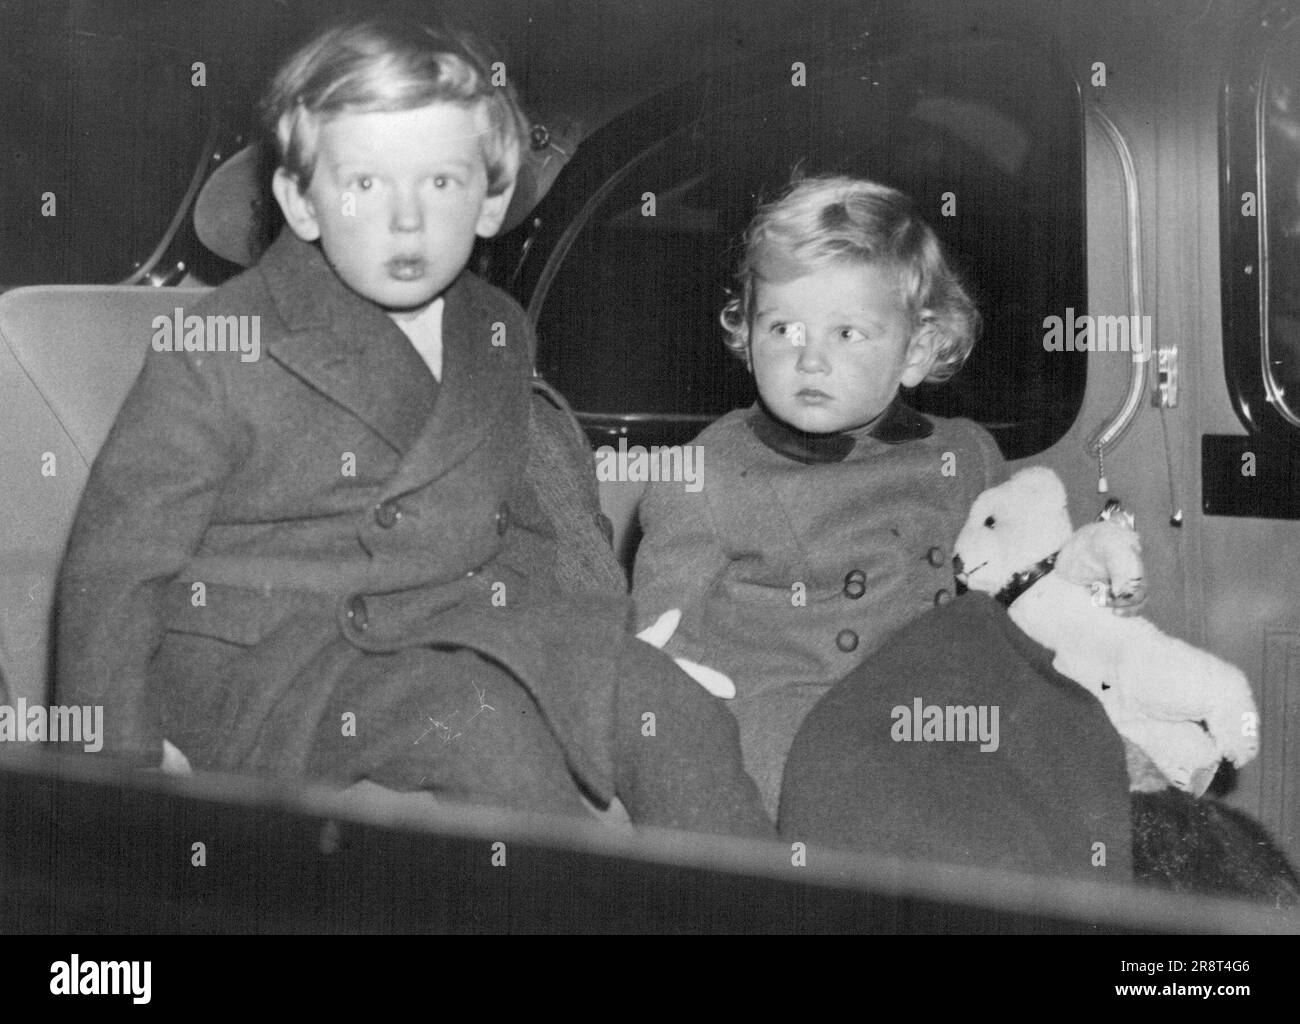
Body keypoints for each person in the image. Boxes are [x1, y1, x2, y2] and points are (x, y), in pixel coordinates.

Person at [54, 11, 772, 838]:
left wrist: (606, 643)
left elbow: (527, 518)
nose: (406, 220)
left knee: (674, 711)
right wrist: (118, 770)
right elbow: (114, 566)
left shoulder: (496, 328)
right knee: (487, 734)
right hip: (270, 660)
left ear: (491, 198)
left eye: (440, 182)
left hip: (455, 619)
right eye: (364, 183)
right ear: (302, 200)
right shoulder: (223, 341)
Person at [633, 175, 1143, 816]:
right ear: (747, 333)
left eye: (847, 334)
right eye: (784, 329)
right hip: (788, 731)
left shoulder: (965, 454)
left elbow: (1018, 587)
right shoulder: (703, 471)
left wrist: (1083, 576)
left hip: (945, 710)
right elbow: (659, 637)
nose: (809, 359)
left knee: (1083, 767)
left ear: (916, 351)